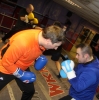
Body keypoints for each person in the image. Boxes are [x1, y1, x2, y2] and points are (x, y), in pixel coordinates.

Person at [0, 25, 65, 100]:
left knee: (29, 91)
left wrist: (38, 57)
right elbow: (6, 62)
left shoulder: (42, 38)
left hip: (22, 65)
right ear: (48, 40)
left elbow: (32, 49)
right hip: (4, 68)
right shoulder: (22, 42)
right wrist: (21, 74)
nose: (56, 48)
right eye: (56, 45)